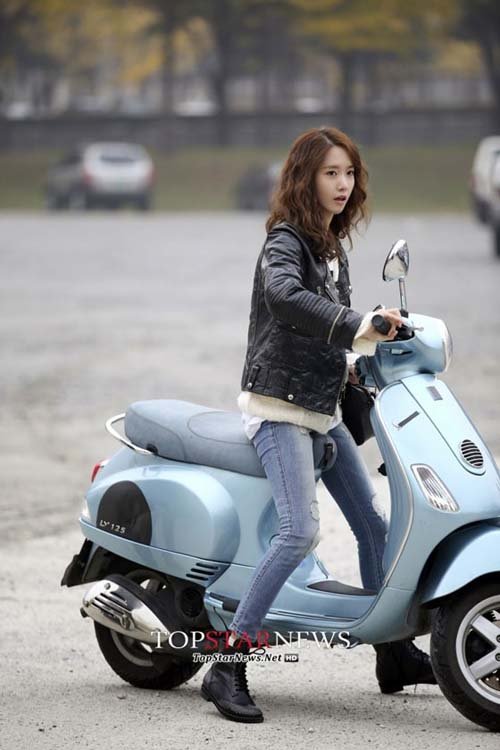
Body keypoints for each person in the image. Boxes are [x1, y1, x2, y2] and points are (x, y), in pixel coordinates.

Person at [201, 126, 436, 723]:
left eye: (349, 172)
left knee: (375, 527)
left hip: (321, 411)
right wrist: (357, 323)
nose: (342, 183)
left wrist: (358, 361)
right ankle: (227, 664)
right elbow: (284, 297)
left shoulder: (332, 247)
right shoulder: (285, 241)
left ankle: (393, 653)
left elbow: (330, 331)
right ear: (305, 178)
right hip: (279, 409)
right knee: (299, 531)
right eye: (330, 172)